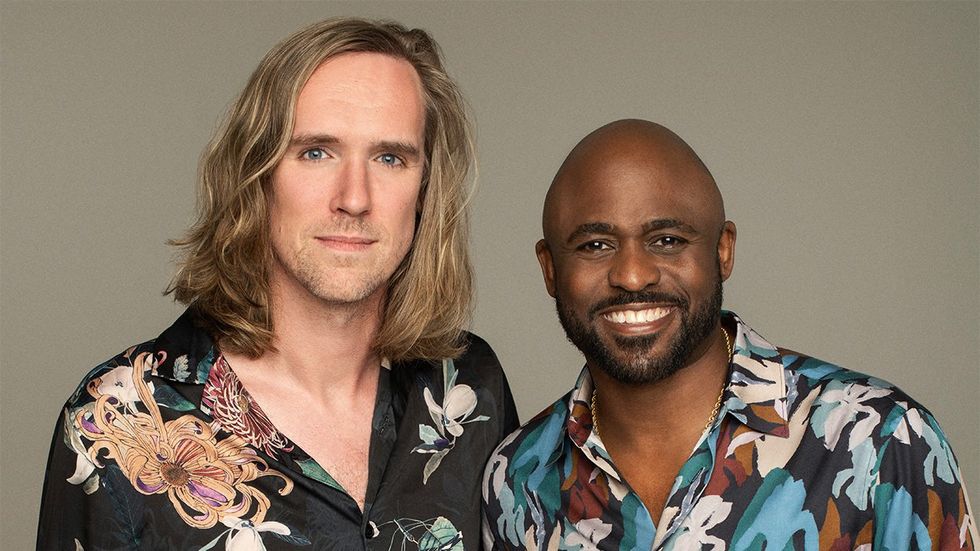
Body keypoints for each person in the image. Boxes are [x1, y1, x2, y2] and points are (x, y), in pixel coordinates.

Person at [38, 18, 518, 550]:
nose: (354, 199)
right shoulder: (113, 422)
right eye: (316, 152)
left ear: (425, 188)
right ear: (258, 172)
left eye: (389, 158)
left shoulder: (469, 387)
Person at [482, 119, 976, 549]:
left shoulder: (881, 440)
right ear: (550, 269)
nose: (632, 276)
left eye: (667, 240)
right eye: (595, 245)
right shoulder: (517, 478)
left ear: (723, 251)